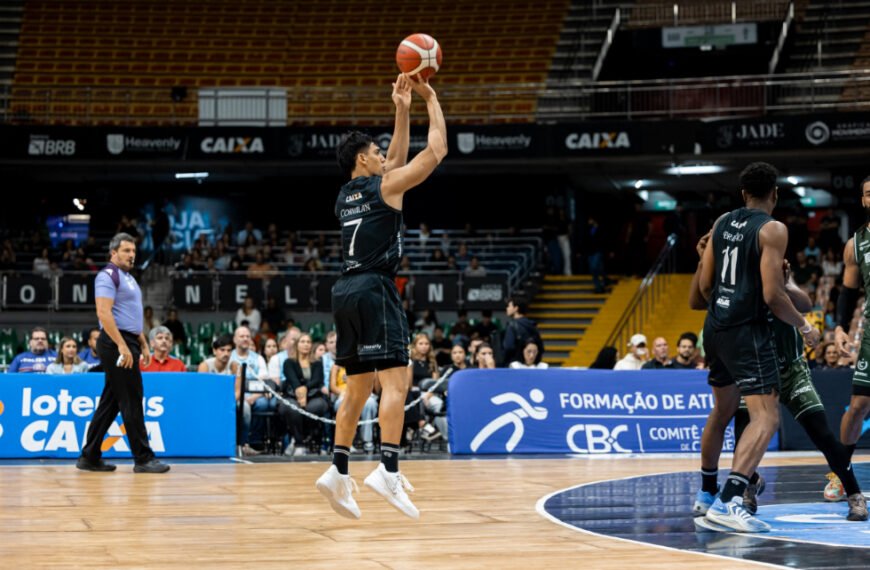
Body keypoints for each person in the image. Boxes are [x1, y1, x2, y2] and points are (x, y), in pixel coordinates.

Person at [316, 72, 447, 521]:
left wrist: (400, 107)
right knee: (396, 382)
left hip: (344, 290)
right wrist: (430, 99)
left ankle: (337, 469)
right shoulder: (386, 188)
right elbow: (435, 153)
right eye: (374, 153)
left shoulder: (344, 195)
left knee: (355, 391)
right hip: (374, 287)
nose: (383, 158)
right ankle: (387, 469)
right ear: (361, 159)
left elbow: (393, 157)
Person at [692, 232, 866, 522]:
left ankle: (854, 493)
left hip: (791, 369)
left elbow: (805, 303)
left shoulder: (777, 269)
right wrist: (704, 261)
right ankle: (748, 486)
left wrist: (785, 284)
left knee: (822, 435)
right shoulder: (735, 286)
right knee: (743, 435)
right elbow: (704, 296)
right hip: (758, 372)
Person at [689, 163, 820, 532]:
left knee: (723, 410)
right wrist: (805, 326)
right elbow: (773, 295)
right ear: (774, 194)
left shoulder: (723, 222)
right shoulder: (773, 229)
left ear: (743, 193)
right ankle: (731, 500)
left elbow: (703, 287)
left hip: (714, 327)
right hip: (747, 332)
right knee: (767, 416)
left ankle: (706, 494)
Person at [77, 232, 169, 474]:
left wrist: (144, 343)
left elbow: (130, 317)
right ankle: (143, 458)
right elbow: (104, 314)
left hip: (128, 339)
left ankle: (89, 456)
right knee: (132, 398)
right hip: (114, 341)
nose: (132, 255)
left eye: (134, 252)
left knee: (112, 401)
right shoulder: (108, 275)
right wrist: (122, 345)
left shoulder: (128, 278)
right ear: (113, 253)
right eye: (127, 251)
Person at [829, 174, 870, 506]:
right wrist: (840, 328)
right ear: (864, 200)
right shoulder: (855, 244)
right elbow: (848, 292)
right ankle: (840, 475)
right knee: (858, 406)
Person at [502, 296, 544, 366]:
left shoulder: (512, 326)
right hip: (531, 365)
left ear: (516, 308)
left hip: (514, 365)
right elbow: (541, 347)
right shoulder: (532, 325)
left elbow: (508, 347)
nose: (507, 308)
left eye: (509, 306)